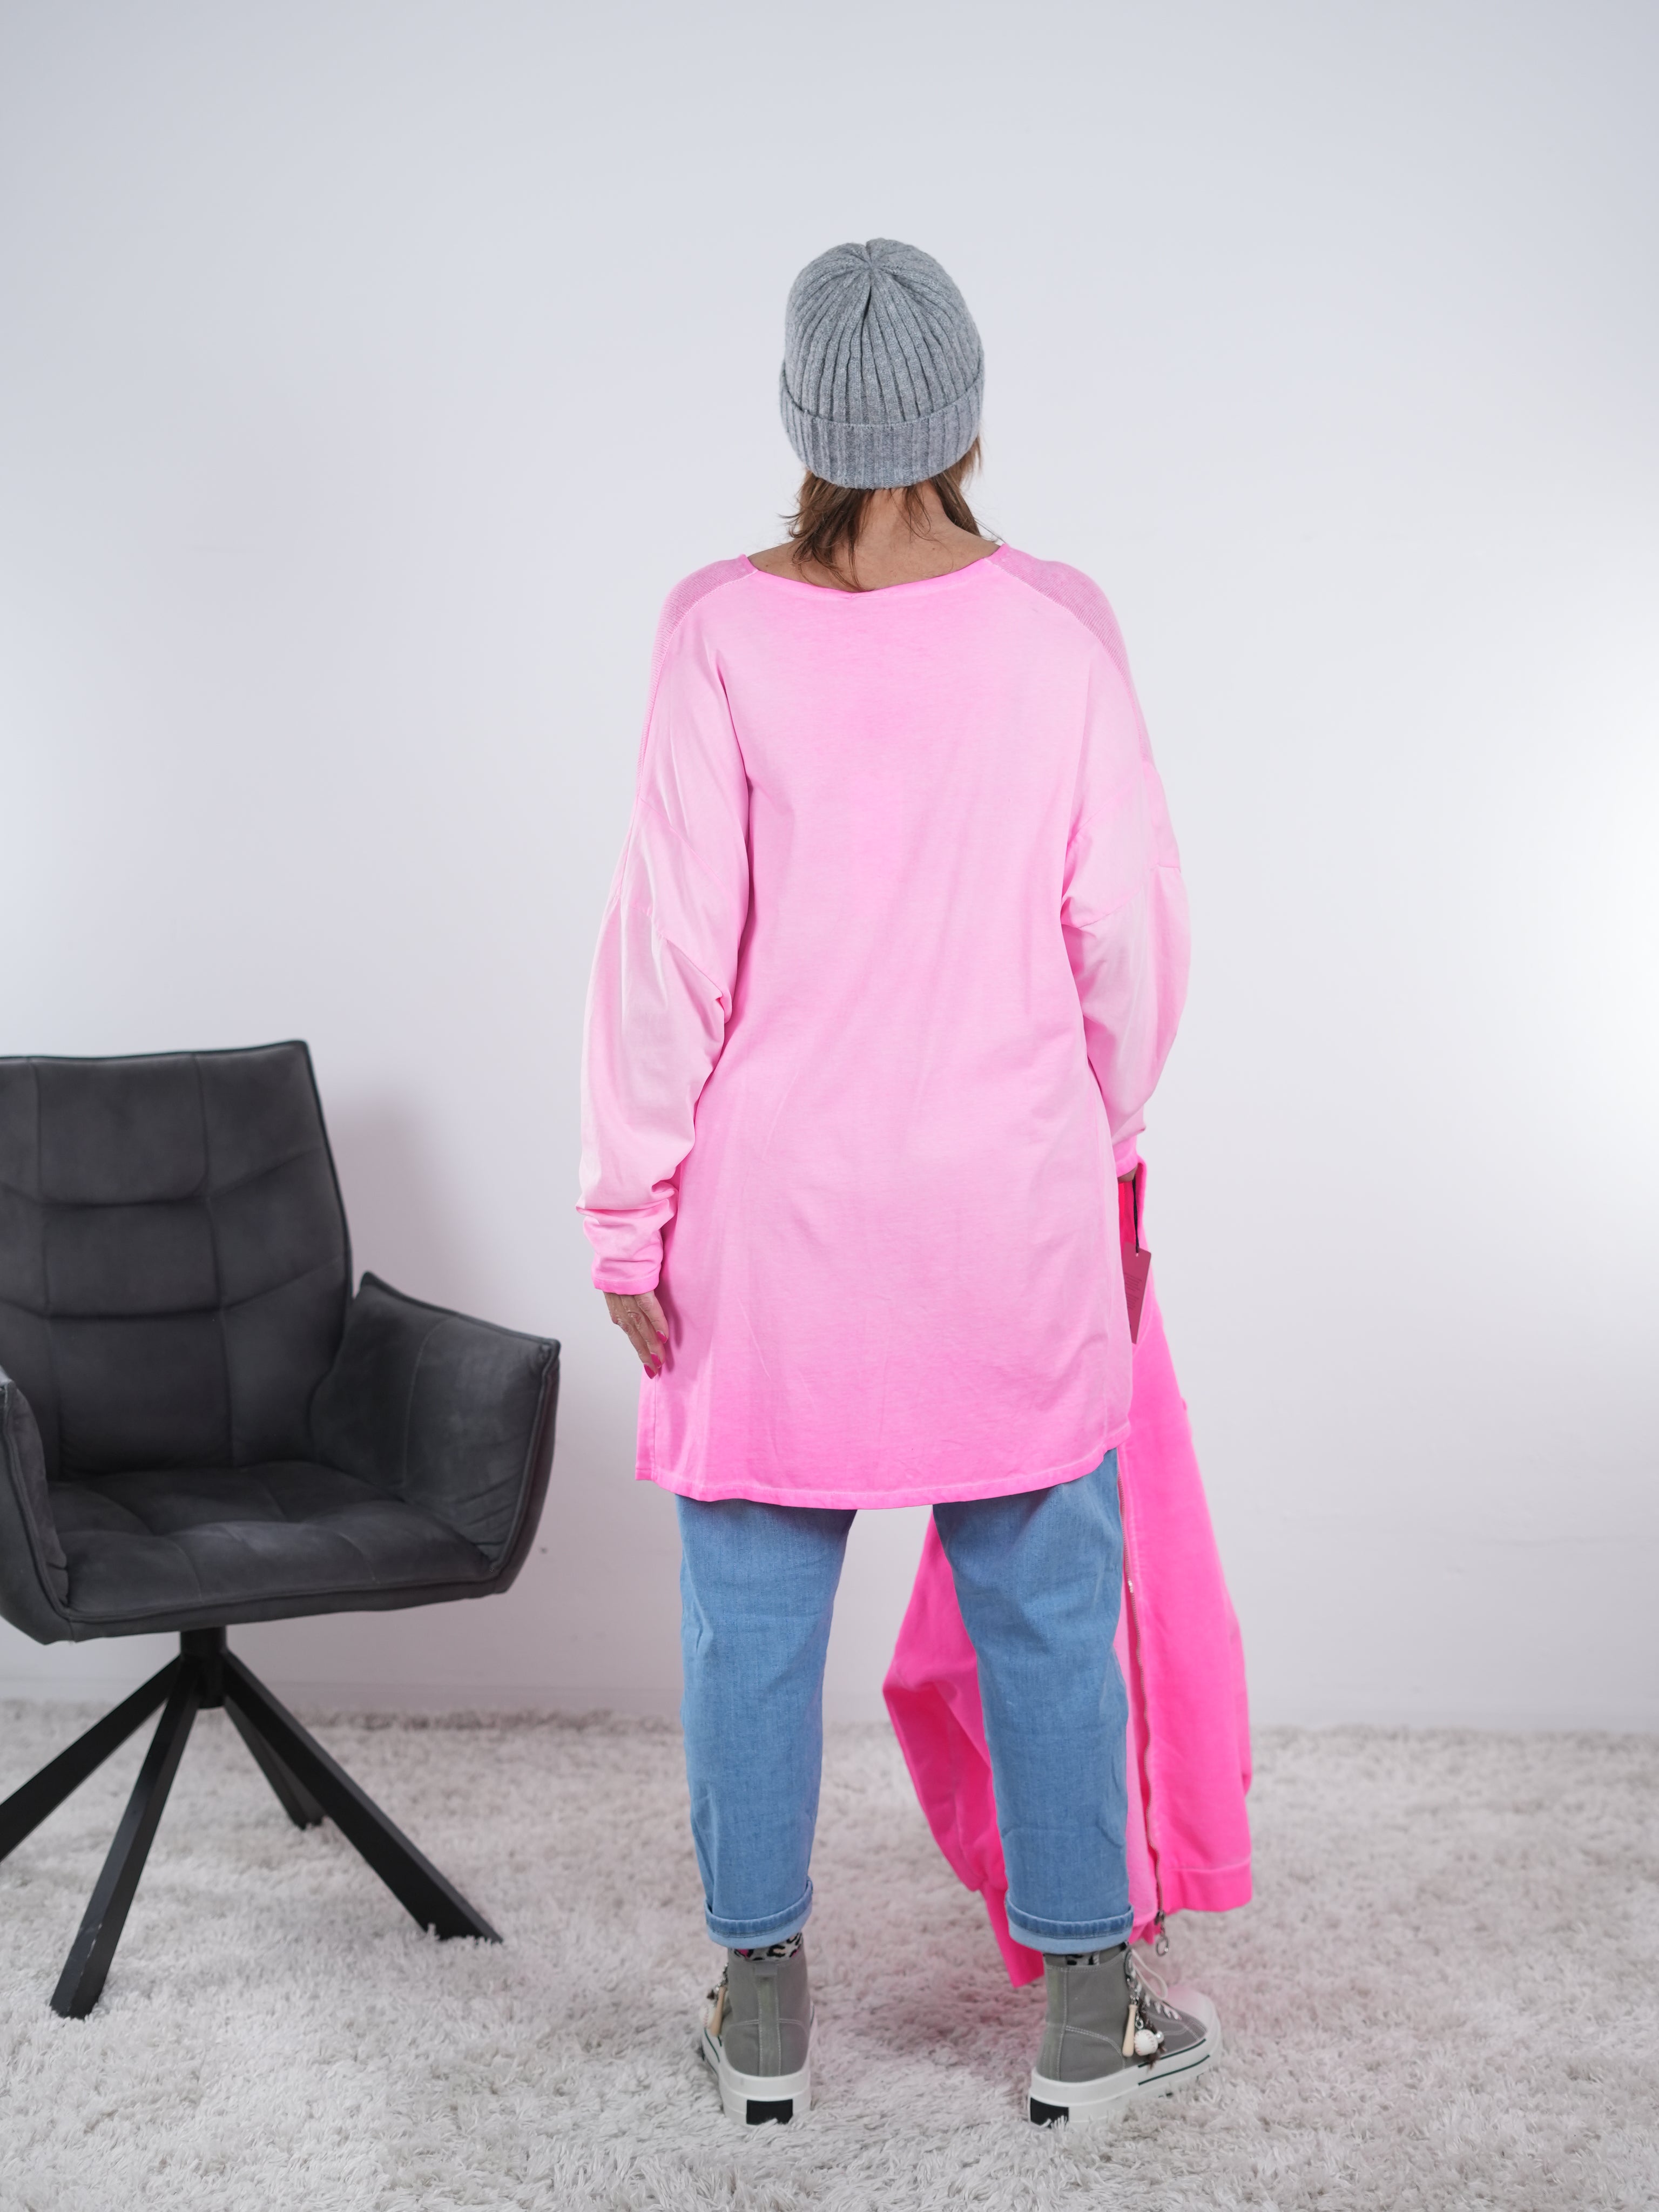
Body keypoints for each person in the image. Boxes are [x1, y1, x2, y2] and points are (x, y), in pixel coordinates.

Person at [578, 237, 1217, 2127]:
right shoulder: (1060, 627)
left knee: (752, 1621)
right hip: (1007, 1209)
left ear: (803, 421)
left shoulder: (717, 626)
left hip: (771, 1224)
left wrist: (627, 1210)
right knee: (1047, 1609)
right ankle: (1090, 2020)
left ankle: (763, 2015)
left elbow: (666, 950)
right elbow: (1130, 937)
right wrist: (1102, 1139)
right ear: (966, 414)